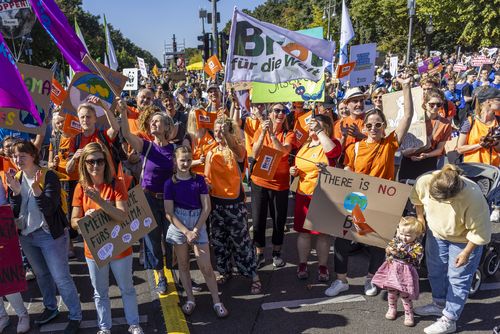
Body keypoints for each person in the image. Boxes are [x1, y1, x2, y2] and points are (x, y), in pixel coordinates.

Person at [325, 74, 414, 298]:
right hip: (357, 199)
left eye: (378, 125)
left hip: (382, 200)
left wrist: (406, 86)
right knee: (343, 240)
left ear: (384, 127)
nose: (374, 128)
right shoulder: (354, 148)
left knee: (377, 243)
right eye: (370, 125)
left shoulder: (390, 144)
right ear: (364, 127)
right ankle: (341, 281)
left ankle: (371, 278)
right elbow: (348, 171)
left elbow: (408, 116)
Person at [6, 141, 82, 334]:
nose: (18, 159)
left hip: (50, 235)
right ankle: (50, 307)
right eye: (15, 156)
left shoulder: (48, 176)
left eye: (22, 155)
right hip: (27, 236)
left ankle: (75, 315)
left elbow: (49, 207)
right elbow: (14, 213)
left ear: (33, 156)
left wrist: (37, 191)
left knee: (61, 277)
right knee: (41, 274)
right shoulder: (16, 177)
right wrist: (15, 193)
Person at [71, 142, 144, 334]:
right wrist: (81, 222)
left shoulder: (116, 183)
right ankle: (104, 327)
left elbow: (122, 215)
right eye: (90, 162)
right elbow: (73, 221)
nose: (95, 166)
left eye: (100, 161)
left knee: (126, 288)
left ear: (106, 161)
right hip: (93, 250)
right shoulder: (81, 187)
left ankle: (134, 324)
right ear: (84, 165)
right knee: (100, 292)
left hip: (120, 249)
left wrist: (100, 202)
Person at [410, 164, 491, 334]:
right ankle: (439, 304)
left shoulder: (473, 195)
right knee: (435, 271)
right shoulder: (425, 181)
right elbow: (417, 197)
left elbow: (479, 231)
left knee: (458, 279)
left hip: (463, 240)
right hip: (436, 234)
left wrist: (467, 252)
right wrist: (420, 218)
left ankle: (450, 319)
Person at [164, 146, 228, 318]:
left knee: (206, 266)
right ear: (175, 161)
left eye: (188, 160)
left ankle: (217, 301)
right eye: (182, 160)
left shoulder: (198, 180)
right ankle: (190, 299)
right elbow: (169, 212)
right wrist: (186, 232)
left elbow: (206, 207)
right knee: (183, 265)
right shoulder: (170, 183)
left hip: (198, 223)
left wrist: (196, 229)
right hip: (179, 225)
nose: (185, 163)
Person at [120, 99, 175, 294]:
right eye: (152, 121)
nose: (153, 123)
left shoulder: (175, 150)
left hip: (170, 200)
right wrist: (122, 113)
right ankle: (160, 276)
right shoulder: (146, 146)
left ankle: (176, 271)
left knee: (172, 238)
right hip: (149, 198)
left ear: (167, 127)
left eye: (158, 121)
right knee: (152, 239)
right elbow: (126, 134)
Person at [204, 117, 262, 294]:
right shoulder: (210, 153)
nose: (218, 132)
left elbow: (236, 151)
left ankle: (253, 276)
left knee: (241, 243)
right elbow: (207, 179)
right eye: (216, 129)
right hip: (216, 206)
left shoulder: (238, 150)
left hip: (234, 206)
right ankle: (224, 271)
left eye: (223, 129)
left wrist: (226, 133)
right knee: (219, 243)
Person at [290, 115, 341, 281]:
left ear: (325, 127)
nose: (311, 126)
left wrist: (319, 131)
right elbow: (300, 166)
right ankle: (303, 263)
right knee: (303, 233)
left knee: (322, 235)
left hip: (323, 195)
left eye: (316, 125)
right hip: (303, 194)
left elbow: (333, 152)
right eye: (311, 125)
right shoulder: (305, 145)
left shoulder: (332, 142)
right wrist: (295, 172)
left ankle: (322, 266)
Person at [251, 103, 295, 268]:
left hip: (280, 185)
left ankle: (277, 252)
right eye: (276, 110)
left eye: (283, 111)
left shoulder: (288, 134)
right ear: (269, 114)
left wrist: (272, 134)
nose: (280, 113)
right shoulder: (260, 130)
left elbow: (283, 151)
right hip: (259, 182)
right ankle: (259, 253)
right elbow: (254, 154)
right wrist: (263, 132)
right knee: (258, 220)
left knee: (278, 221)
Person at [371, 217, 424, 327]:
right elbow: (388, 248)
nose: (404, 237)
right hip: (393, 271)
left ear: (417, 234)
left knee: (405, 294)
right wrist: (389, 250)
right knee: (391, 292)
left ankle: (409, 314)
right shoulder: (395, 240)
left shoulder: (416, 246)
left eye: (408, 235)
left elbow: (416, 257)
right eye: (401, 233)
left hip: (406, 273)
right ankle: (392, 308)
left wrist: (402, 253)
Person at [398, 88, 452, 181]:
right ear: (425, 104)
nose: (435, 107)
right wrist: (404, 152)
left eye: (439, 104)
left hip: (428, 161)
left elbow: (439, 149)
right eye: (432, 104)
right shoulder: (414, 118)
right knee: (405, 190)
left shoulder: (445, 124)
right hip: (408, 160)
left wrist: (426, 155)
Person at [66, 103, 120, 175]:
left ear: (95, 119)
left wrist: (104, 107)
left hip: (107, 181)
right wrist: (74, 158)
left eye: (88, 117)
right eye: (82, 117)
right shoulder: (75, 139)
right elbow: (69, 170)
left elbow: (116, 128)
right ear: (79, 120)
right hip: (86, 183)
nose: (85, 120)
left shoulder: (102, 135)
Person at [457, 86, 499, 165]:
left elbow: (498, 150)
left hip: (493, 169)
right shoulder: (470, 121)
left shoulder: (498, 121)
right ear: (488, 101)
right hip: (474, 169)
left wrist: (495, 142)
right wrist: (480, 145)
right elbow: (460, 149)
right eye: (498, 99)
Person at [182, 111, 217, 175]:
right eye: (199, 116)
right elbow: (184, 163)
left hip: (214, 175)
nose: (202, 118)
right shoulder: (188, 138)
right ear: (193, 120)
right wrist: (199, 161)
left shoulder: (211, 132)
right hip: (197, 177)